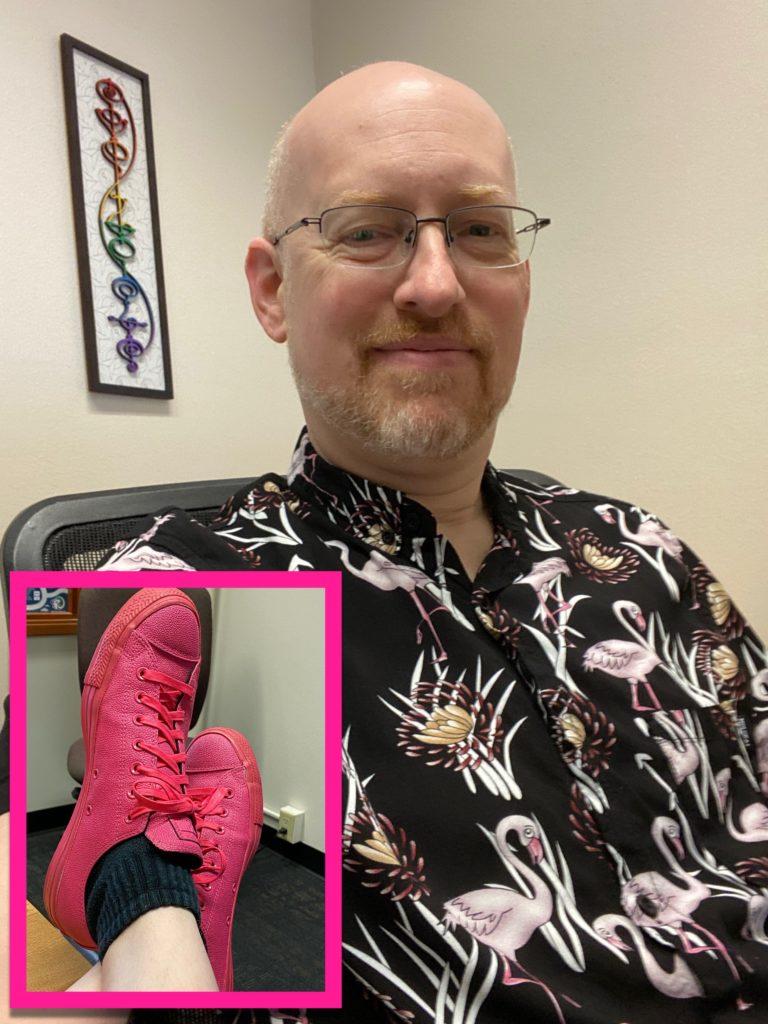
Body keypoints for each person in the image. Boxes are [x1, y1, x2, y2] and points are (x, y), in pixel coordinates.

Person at [3, 60, 767, 1023]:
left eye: (481, 230)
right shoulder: (166, 568)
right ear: (273, 290)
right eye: (368, 230)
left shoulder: (645, 550)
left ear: (521, 281)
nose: (437, 284)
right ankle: (142, 885)